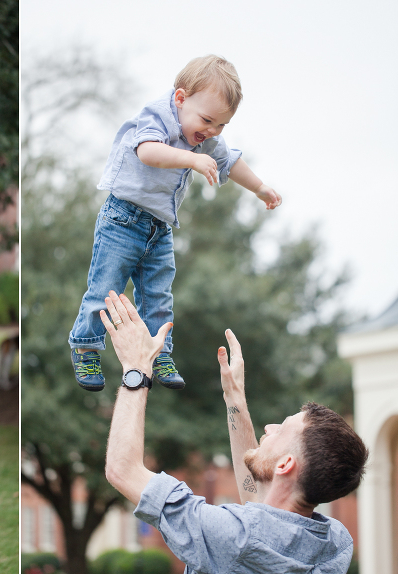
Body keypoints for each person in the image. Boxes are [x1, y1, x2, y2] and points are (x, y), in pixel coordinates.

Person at [101, 290, 368, 574]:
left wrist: (136, 367)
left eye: (282, 429)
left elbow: (123, 470)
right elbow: (260, 514)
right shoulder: (335, 545)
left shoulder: (230, 536)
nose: (271, 427)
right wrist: (235, 399)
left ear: (286, 464)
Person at [70, 55, 282, 392]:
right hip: (122, 220)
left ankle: (160, 353)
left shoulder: (206, 137)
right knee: (105, 291)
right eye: (208, 120)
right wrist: (193, 159)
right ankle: (86, 346)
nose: (212, 132)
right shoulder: (158, 115)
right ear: (181, 99)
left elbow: (229, 160)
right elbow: (148, 152)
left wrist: (259, 187)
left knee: (158, 297)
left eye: (221, 126)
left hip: (159, 229)